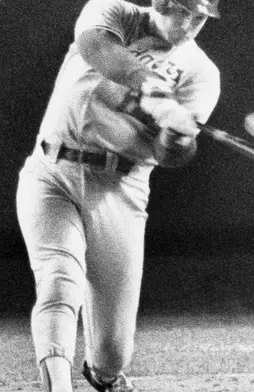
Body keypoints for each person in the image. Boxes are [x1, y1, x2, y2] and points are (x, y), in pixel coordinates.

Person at [15, 0, 221, 391]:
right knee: (60, 280)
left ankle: (104, 376)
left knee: (112, 350)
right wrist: (152, 89)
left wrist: (175, 137)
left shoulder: (202, 73)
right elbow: (97, 48)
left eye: (200, 17)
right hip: (51, 172)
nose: (190, 25)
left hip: (119, 190)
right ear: (161, 2)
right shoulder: (114, 12)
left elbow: (170, 156)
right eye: (182, 11)